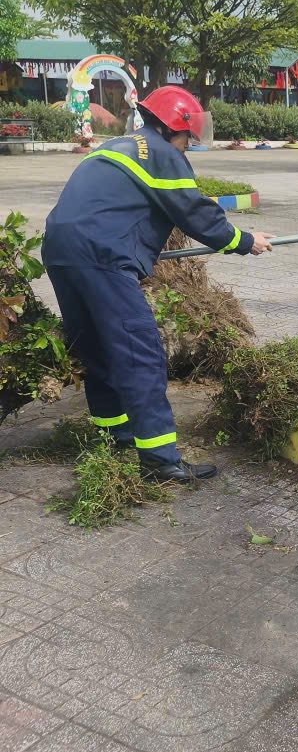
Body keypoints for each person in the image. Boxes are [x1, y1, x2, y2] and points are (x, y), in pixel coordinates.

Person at [42, 85, 273, 483]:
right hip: (102, 257)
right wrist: (246, 242)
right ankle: (159, 459)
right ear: (172, 129)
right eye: (187, 138)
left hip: (61, 251)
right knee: (140, 351)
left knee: (96, 347)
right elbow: (194, 213)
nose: (187, 147)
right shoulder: (164, 155)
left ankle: (115, 437)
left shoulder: (118, 146)